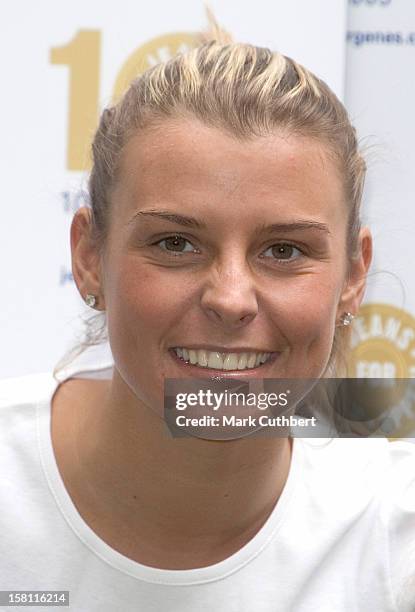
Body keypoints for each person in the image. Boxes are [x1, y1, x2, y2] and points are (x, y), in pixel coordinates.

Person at [1, 16, 414, 612]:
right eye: (175, 243)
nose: (231, 298)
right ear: (89, 256)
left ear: (354, 276)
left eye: (284, 250)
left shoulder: (394, 537)